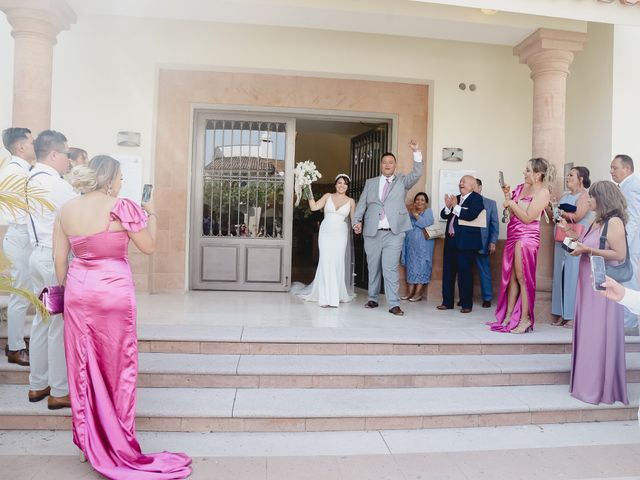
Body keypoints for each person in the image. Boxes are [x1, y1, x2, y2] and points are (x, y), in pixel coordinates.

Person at [53, 155, 192, 478]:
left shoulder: (67, 210)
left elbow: (60, 260)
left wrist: (71, 292)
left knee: (83, 366)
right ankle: (118, 442)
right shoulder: (123, 205)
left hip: (77, 290)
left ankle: (90, 442)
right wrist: (152, 212)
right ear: (110, 178)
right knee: (118, 366)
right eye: (119, 177)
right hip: (113, 291)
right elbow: (149, 246)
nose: (121, 183)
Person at [559, 180, 628, 405]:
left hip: (603, 288)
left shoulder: (614, 222)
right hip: (587, 285)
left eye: (591, 197)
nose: (588, 200)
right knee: (588, 332)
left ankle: (600, 387)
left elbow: (619, 254)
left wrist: (587, 249)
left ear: (602, 198)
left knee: (598, 334)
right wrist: (569, 233)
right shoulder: (596, 221)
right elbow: (584, 244)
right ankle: (586, 382)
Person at [27, 130, 77, 409]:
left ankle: (38, 384)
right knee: (57, 324)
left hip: (37, 256)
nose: (68, 161)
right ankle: (59, 390)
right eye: (67, 154)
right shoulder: (57, 185)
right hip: (52, 260)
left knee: (42, 322)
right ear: (54, 154)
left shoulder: (33, 178)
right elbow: (77, 212)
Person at [352, 140, 423, 316]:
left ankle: (393, 304)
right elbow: (361, 205)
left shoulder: (402, 181)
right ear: (381, 165)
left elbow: (417, 173)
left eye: (391, 162)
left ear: (395, 165)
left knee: (390, 268)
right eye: (384, 162)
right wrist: (356, 221)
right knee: (373, 267)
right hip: (372, 233)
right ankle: (373, 299)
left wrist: (416, 152)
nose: (387, 165)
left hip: (394, 233)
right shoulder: (371, 183)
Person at [489, 158, 553, 334]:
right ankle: (509, 315)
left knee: (523, 277)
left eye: (528, 170)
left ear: (538, 174)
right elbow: (512, 213)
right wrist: (508, 196)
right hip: (513, 234)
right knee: (511, 277)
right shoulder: (521, 187)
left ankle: (525, 319)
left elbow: (527, 217)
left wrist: (512, 204)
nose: (524, 172)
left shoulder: (543, 192)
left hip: (527, 237)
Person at [1, 127, 36, 366]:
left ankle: (18, 341)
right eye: (32, 142)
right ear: (20, 147)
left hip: (25, 237)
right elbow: (20, 211)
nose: (35, 146)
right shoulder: (15, 172)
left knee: (25, 294)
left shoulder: (23, 170)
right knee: (20, 296)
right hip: (20, 236)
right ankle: (15, 347)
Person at [296, 174, 356, 307]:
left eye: (345, 183)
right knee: (326, 260)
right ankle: (325, 297)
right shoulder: (328, 196)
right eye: (339, 183)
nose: (342, 185)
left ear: (348, 186)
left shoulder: (351, 201)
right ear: (335, 184)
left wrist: (358, 226)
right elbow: (314, 207)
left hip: (341, 233)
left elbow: (354, 220)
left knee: (337, 262)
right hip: (326, 232)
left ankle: (336, 294)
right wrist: (307, 189)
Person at [551, 167, 592, 328]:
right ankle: (561, 312)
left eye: (571, 175)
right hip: (560, 237)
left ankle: (572, 315)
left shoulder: (584, 196)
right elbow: (556, 215)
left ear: (581, 179)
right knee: (559, 274)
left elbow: (578, 216)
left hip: (574, 237)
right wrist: (552, 208)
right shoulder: (565, 196)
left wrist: (559, 212)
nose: (567, 177)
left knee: (572, 274)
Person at [437, 175, 485, 313]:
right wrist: (447, 207)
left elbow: (471, 215)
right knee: (448, 272)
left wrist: (455, 207)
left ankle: (466, 305)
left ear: (472, 185)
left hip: (466, 243)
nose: (460, 184)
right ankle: (447, 302)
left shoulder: (476, 198)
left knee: (465, 274)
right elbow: (444, 215)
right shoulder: (456, 198)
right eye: (460, 182)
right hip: (451, 241)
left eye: (464, 182)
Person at [610, 154, 640, 335]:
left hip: (631, 245)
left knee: (629, 282)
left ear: (627, 169)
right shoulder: (626, 186)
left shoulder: (632, 187)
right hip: (629, 244)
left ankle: (629, 325)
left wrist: (623, 245)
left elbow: (633, 219)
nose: (611, 171)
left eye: (614, 168)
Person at [400, 192, 435, 302]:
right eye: (417, 200)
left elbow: (425, 223)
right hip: (411, 246)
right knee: (411, 268)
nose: (419, 202)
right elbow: (404, 225)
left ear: (426, 203)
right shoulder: (409, 213)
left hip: (424, 247)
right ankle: (410, 292)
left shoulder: (428, 212)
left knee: (422, 267)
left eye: (422, 200)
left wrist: (415, 213)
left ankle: (418, 293)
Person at [474, 178, 499, 308]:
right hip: (467, 243)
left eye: (475, 186)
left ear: (480, 187)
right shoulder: (463, 202)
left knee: (484, 271)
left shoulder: (490, 204)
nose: (472, 189)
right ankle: (464, 297)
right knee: (465, 271)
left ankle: (487, 297)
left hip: (483, 243)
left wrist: (493, 242)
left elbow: (494, 225)